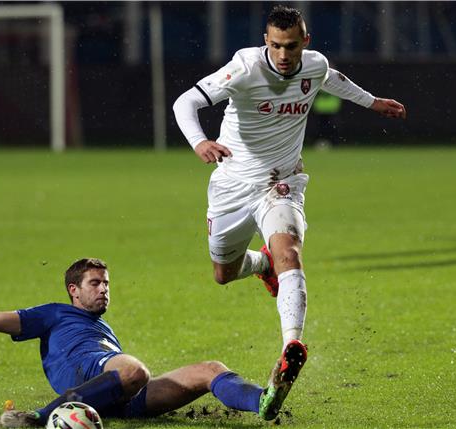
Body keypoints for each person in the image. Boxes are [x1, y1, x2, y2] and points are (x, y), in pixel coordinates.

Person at [173, 4, 406, 414]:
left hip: (280, 184)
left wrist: (373, 103)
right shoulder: (244, 68)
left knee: (290, 251)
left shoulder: (313, 65)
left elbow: (332, 78)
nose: (284, 55)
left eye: (292, 47)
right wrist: (199, 142)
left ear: (305, 43)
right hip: (230, 186)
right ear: (266, 41)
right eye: (277, 46)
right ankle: (262, 266)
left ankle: (289, 347)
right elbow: (184, 103)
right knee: (222, 274)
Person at [0, 258, 298, 427]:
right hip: (103, 376)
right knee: (134, 368)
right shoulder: (53, 314)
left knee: (210, 369)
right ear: (73, 289)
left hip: (125, 387)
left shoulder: (103, 327)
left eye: (106, 283)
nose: (104, 289)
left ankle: (263, 400)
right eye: (95, 283)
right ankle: (39, 418)